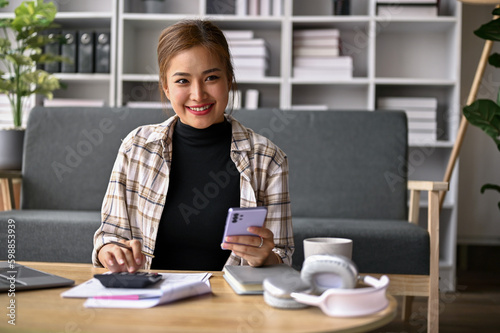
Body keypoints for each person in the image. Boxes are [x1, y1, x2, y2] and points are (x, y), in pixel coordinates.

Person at [92, 19, 293, 273]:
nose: (198, 94)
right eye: (182, 81)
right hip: (151, 302)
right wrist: (109, 251)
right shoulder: (136, 148)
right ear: (165, 86)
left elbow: (283, 257)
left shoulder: (268, 159)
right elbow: (109, 236)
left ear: (229, 79)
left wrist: (265, 257)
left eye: (211, 77)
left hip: (232, 305)